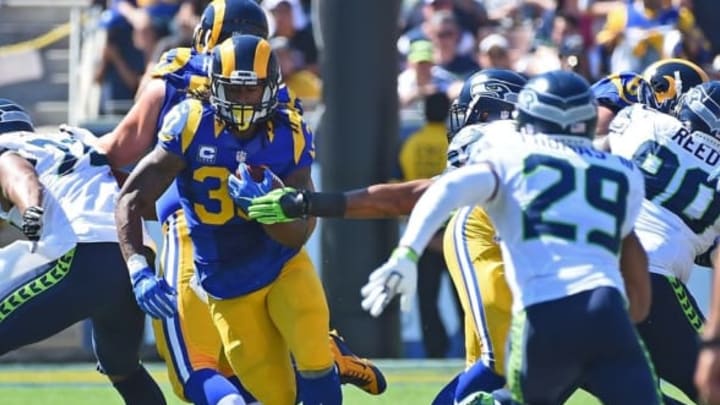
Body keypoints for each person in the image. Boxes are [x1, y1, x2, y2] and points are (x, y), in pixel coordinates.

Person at [93, 0, 385, 403]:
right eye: (235, 87)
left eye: (252, 87)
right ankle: (324, 354)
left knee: (195, 366)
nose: (244, 98)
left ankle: (321, 354)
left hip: (225, 239)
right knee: (249, 375)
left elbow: (120, 150)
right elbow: (133, 191)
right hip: (209, 247)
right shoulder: (201, 110)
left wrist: (277, 206)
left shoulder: (188, 85)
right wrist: (137, 265)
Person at [361, 70, 660, 404]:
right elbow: (635, 261)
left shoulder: (506, 148)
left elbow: (440, 189)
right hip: (591, 299)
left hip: (528, 288)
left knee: (511, 374)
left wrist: (407, 251)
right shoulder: (621, 168)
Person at [248, 68, 528, 404]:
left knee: (513, 363)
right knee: (514, 362)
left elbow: (405, 197)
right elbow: (414, 196)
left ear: (482, 112)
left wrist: (309, 203)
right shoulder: (522, 144)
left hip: (500, 244)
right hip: (506, 245)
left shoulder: (492, 139)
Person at [0, 100, 166, 405]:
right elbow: (126, 187)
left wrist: (31, 208)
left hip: (84, 254)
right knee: (124, 370)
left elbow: (19, 175)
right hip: (135, 254)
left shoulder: (7, 148)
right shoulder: (71, 140)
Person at [597, 80, 720, 402]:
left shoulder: (644, 121)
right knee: (712, 385)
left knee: (568, 375)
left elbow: (590, 159)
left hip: (591, 265)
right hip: (655, 279)